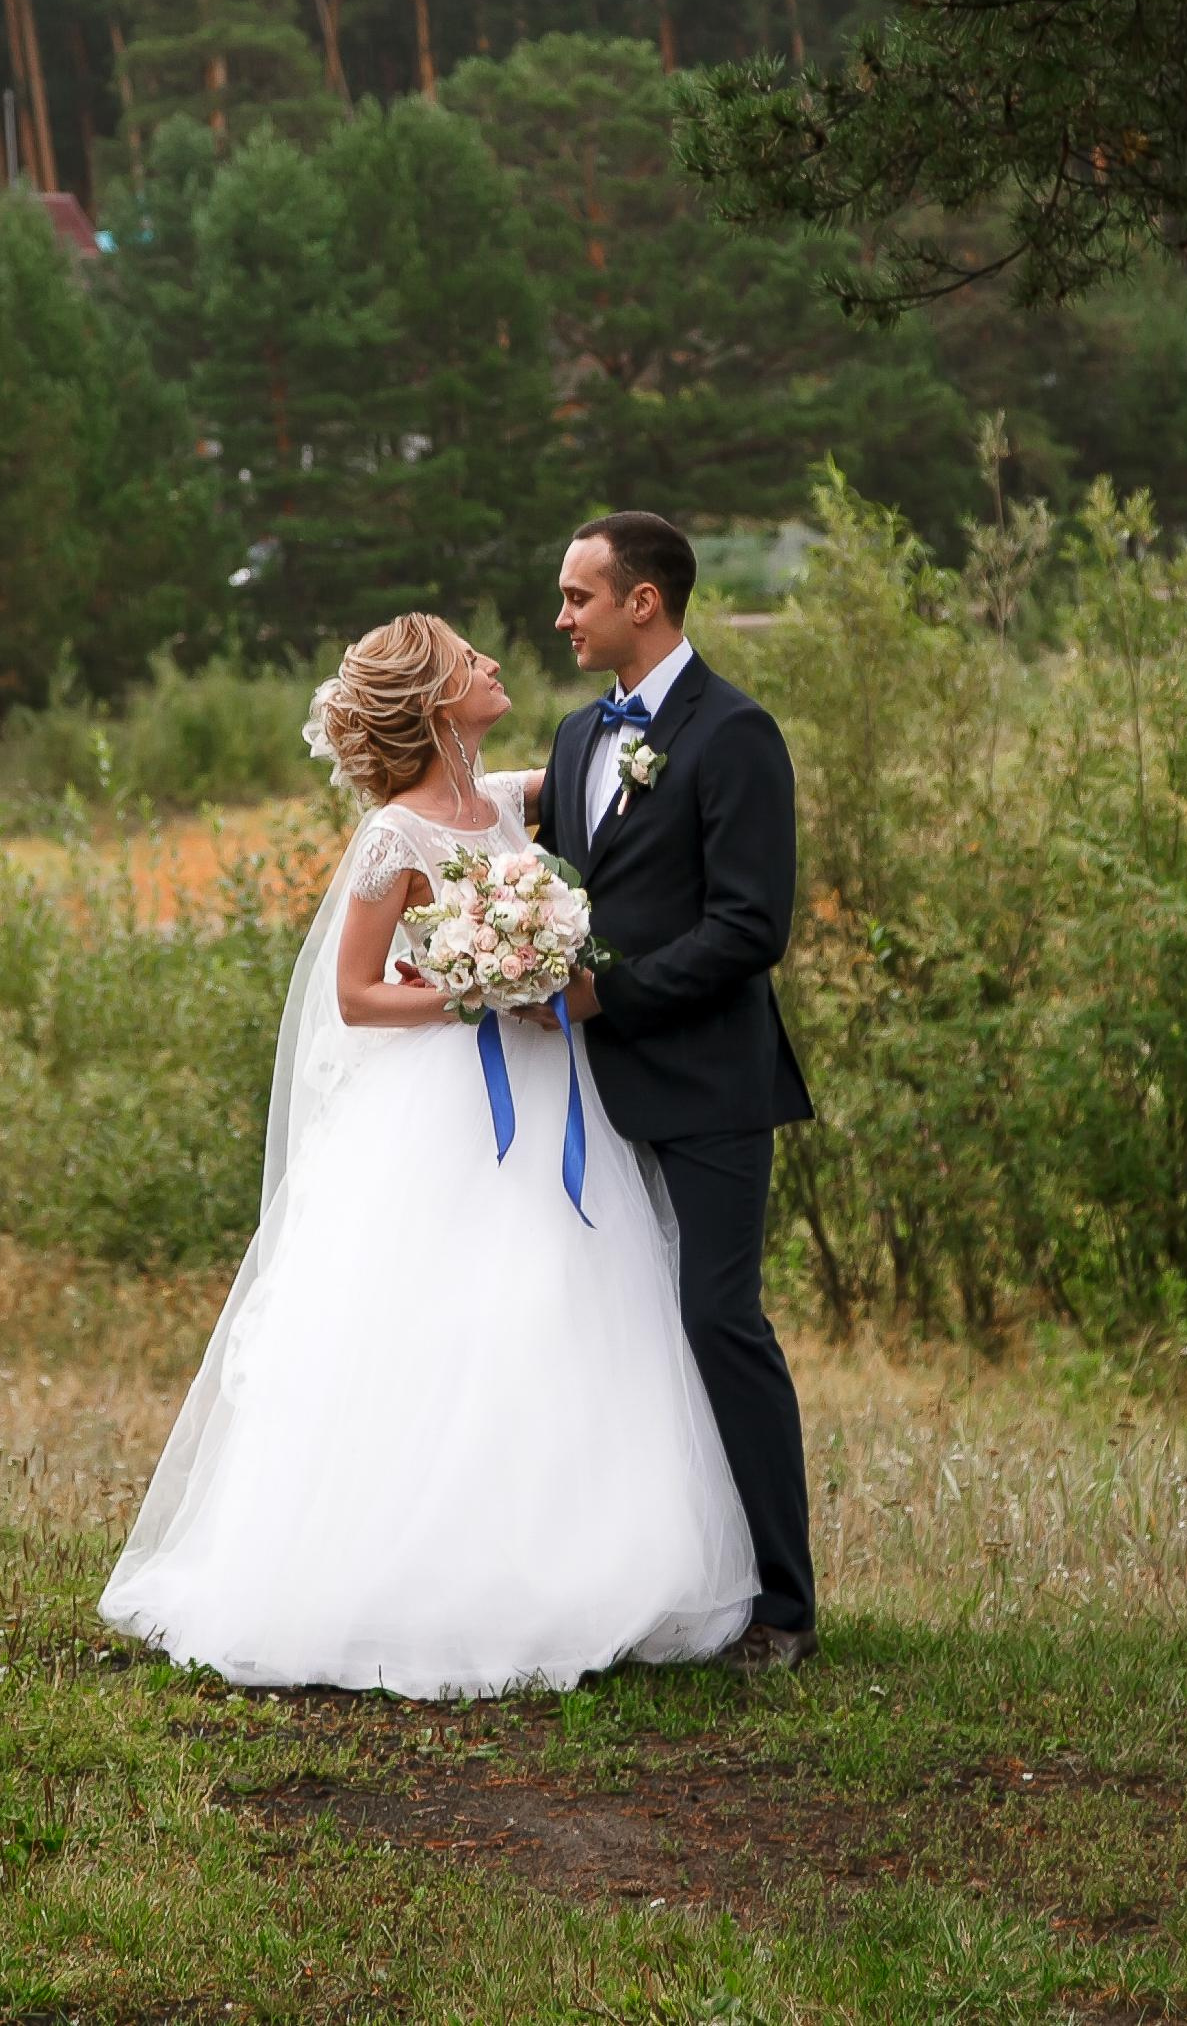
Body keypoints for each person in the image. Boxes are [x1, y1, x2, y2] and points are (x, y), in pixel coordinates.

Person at [98, 611, 755, 1696]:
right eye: (469, 661)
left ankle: (572, 1566)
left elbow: (626, 771)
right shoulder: (394, 837)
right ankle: (409, 1578)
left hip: (551, 1092)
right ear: (440, 703)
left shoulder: (503, 805)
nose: (493, 663)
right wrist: (480, 986)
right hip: (443, 1101)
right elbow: (357, 995)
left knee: (556, 1306)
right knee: (443, 1319)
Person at [535, 511, 818, 1669]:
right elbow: (552, 861)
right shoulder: (570, 737)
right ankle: (642, 1583)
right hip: (589, 1096)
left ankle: (786, 1607)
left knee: (716, 1319)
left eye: (578, 598)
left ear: (642, 601)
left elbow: (754, 928)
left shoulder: (736, 733)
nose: (561, 619)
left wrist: (617, 995)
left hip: (707, 1083)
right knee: (606, 1330)